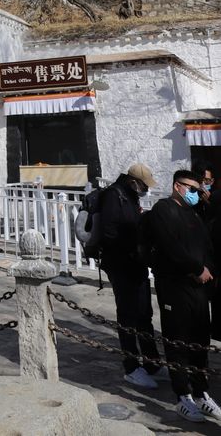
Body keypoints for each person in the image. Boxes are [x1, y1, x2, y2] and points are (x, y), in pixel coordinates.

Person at [146, 167, 221, 423]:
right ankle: (183, 397)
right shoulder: (163, 210)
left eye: (199, 191)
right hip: (175, 287)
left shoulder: (194, 214)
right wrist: (196, 269)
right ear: (177, 186)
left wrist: (209, 270)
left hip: (199, 289)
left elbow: (206, 246)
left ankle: (201, 392)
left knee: (199, 340)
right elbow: (171, 247)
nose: (196, 195)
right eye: (192, 189)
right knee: (177, 341)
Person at [99, 162, 162, 389]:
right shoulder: (113, 196)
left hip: (137, 263)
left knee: (144, 313)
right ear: (133, 181)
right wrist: (132, 246)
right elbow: (110, 232)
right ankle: (132, 366)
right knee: (127, 315)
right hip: (121, 265)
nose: (146, 189)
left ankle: (152, 362)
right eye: (144, 185)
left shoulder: (130, 197)